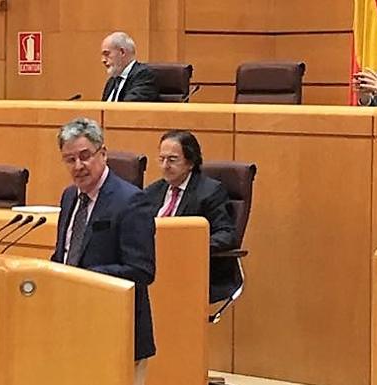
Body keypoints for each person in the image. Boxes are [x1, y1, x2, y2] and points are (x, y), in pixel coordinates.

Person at [51, 117, 156, 385]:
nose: (78, 166)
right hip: (73, 325)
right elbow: (63, 254)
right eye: (69, 159)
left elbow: (141, 270)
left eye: (85, 156)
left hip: (117, 328)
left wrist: (83, 278)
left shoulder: (131, 200)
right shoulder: (68, 196)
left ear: (103, 154)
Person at [144, 130, 240, 304]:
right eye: (161, 159)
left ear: (190, 162)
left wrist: (189, 246)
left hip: (192, 271)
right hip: (155, 267)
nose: (165, 166)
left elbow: (226, 235)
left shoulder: (210, 192)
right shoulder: (152, 192)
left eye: (172, 160)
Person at [100, 32, 159, 102]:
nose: (103, 60)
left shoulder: (144, 75)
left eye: (107, 54)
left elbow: (130, 106)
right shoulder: (112, 81)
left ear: (122, 52)